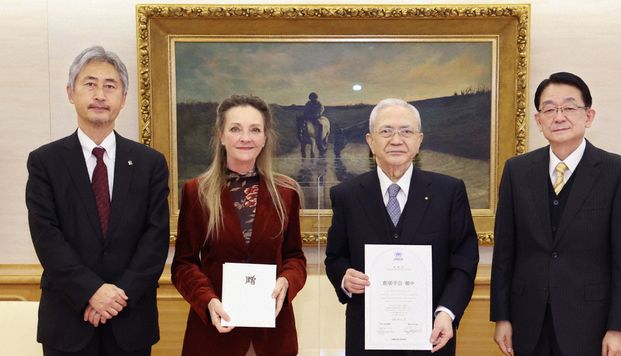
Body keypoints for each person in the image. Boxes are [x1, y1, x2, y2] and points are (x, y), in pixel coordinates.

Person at [25, 45, 170, 356]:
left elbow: (155, 238)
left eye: (110, 86)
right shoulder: (45, 162)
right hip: (67, 320)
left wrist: (116, 298)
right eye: (89, 84)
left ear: (124, 98)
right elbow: (47, 237)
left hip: (131, 320)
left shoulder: (150, 163)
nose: (100, 95)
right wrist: (91, 292)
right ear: (71, 92)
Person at [490, 72, 621, 356]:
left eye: (570, 107)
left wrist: (618, 327)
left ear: (589, 116)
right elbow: (505, 252)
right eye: (549, 109)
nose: (559, 117)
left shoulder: (618, 172)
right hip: (527, 320)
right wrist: (502, 317)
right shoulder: (517, 171)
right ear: (538, 121)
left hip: (591, 323)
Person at [324, 98, 480, 355]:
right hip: (367, 338)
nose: (396, 140)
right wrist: (344, 277)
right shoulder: (347, 195)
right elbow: (335, 258)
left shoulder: (449, 192)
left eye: (406, 131)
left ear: (419, 140)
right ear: (370, 141)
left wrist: (447, 313)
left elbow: (463, 260)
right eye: (385, 131)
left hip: (431, 335)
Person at [171, 94, 307, 356]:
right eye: (236, 129)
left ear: (265, 137)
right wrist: (207, 300)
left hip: (273, 336)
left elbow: (295, 257)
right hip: (214, 335)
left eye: (254, 130)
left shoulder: (286, 192)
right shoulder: (196, 191)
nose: (246, 138)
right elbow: (184, 264)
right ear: (221, 136)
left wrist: (287, 281)